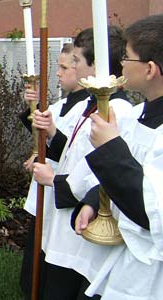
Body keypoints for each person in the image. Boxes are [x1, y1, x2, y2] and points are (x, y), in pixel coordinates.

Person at [28, 26, 132, 300]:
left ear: (96, 64)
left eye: (76, 61)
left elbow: (103, 173)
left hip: (81, 230)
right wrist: (52, 132)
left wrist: (53, 180)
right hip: (64, 227)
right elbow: (76, 153)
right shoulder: (88, 103)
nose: (72, 66)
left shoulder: (118, 112)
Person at [70, 14, 163, 299]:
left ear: (149, 69)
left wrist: (110, 148)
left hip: (152, 272)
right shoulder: (136, 116)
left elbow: (153, 209)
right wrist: (93, 201)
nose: (120, 63)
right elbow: (130, 172)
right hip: (124, 259)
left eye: (126, 56)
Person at [19, 43, 90, 300]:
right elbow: (45, 140)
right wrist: (33, 105)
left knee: (51, 254)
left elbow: (68, 148)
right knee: (37, 250)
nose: (58, 73)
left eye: (64, 67)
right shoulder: (62, 105)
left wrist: (45, 146)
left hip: (61, 190)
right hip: (48, 186)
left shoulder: (87, 109)